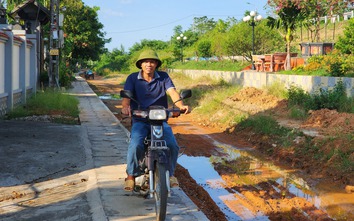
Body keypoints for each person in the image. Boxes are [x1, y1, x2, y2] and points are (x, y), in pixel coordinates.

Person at [121, 49, 190, 191]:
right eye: (146, 62)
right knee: (135, 144)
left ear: (156, 64)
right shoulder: (133, 78)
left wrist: (180, 105)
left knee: (172, 145)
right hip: (140, 119)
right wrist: (126, 108)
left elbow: (172, 92)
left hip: (159, 120)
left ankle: (170, 174)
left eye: (152, 62)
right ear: (140, 64)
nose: (149, 64)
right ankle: (131, 175)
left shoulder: (163, 77)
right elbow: (126, 98)